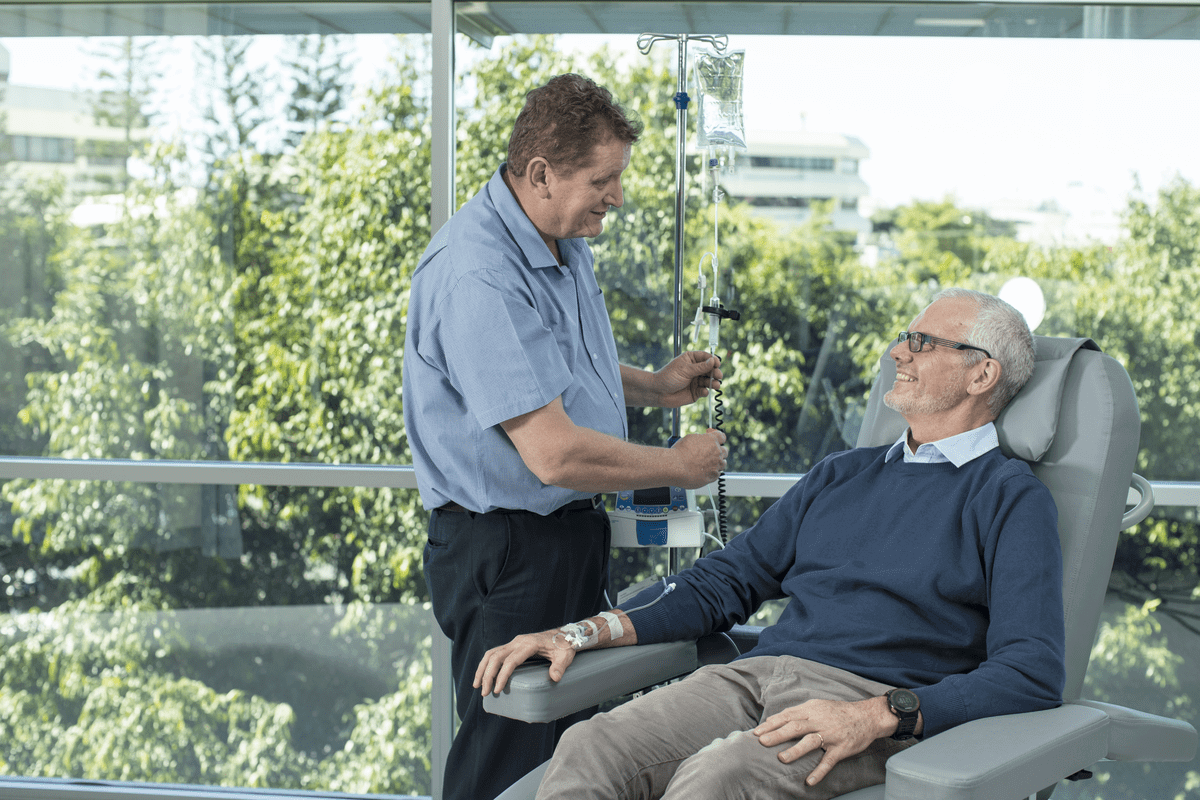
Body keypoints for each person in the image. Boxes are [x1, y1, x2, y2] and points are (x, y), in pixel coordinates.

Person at [475, 288, 1066, 800]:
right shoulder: (843, 475)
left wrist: (882, 715)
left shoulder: (1009, 497)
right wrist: (578, 633)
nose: (898, 353)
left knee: (717, 780)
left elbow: (1030, 672)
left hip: (865, 704)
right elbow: (724, 581)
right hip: (755, 678)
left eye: (924, 342)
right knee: (590, 745)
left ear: (981, 374)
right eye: (904, 338)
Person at [402, 73, 729, 800]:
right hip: (508, 552)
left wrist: (656, 386)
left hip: (565, 538)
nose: (617, 196)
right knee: (506, 758)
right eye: (603, 179)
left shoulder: (557, 237)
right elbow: (553, 454)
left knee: (569, 756)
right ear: (542, 174)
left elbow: (550, 369)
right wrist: (677, 464)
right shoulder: (477, 274)